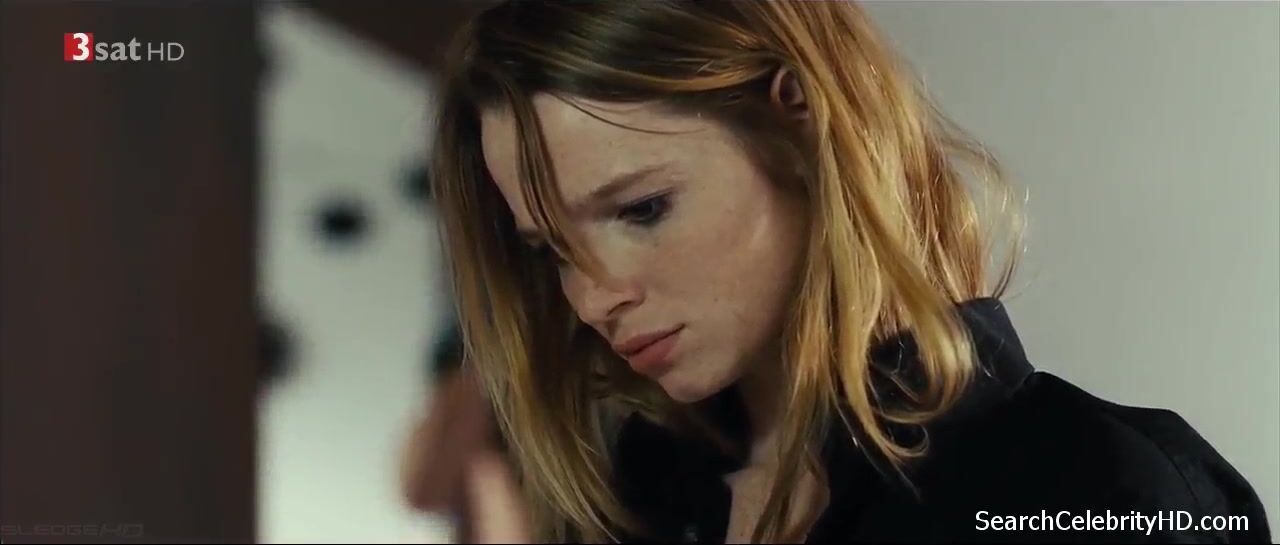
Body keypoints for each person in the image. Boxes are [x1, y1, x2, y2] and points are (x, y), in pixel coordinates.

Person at [402, 1, 1271, 542]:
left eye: (643, 209)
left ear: (801, 121)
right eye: (552, 251)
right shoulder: (635, 493)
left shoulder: (1097, 491)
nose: (594, 298)